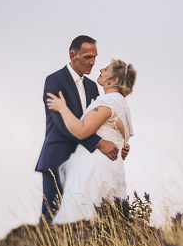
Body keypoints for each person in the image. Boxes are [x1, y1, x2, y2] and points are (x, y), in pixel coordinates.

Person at [35, 35, 121, 223]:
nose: (92, 62)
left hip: (83, 161)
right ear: (72, 55)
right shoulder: (54, 81)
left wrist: (118, 143)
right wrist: (99, 143)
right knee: (51, 213)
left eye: (95, 57)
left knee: (79, 214)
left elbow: (96, 124)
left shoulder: (92, 87)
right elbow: (63, 126)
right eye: (87, 57)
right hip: (57, 158)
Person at [47, 59, 136, 224]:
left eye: (107, 69)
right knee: (107, 221)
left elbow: (81, 131)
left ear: (114, 81)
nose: (101, 69)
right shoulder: (123, 105)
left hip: (94, 168)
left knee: (80, 218)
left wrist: (62, 108)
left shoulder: (108, 102)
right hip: (112, 168)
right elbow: (122, 139)